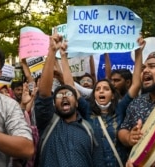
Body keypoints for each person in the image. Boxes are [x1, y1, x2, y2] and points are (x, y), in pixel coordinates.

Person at [60, 36, 144, 166]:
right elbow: (70, 86)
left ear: (112, 95)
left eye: (106, 89)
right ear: (94, 95)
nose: (101, 91)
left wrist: (139, 53)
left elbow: (136, 84)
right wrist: (63, 57)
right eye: (98, 89)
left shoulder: (120, 108)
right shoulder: (87, 109)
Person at [34, 33, 102, 167]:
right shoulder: (47, 123)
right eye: (59, 95)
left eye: (68, 94)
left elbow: (98, 162)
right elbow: (44, 94)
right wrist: (52, 52)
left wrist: (63, 56)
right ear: (53, 104)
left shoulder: (90, 128)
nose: (64, 96)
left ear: (77, 102)